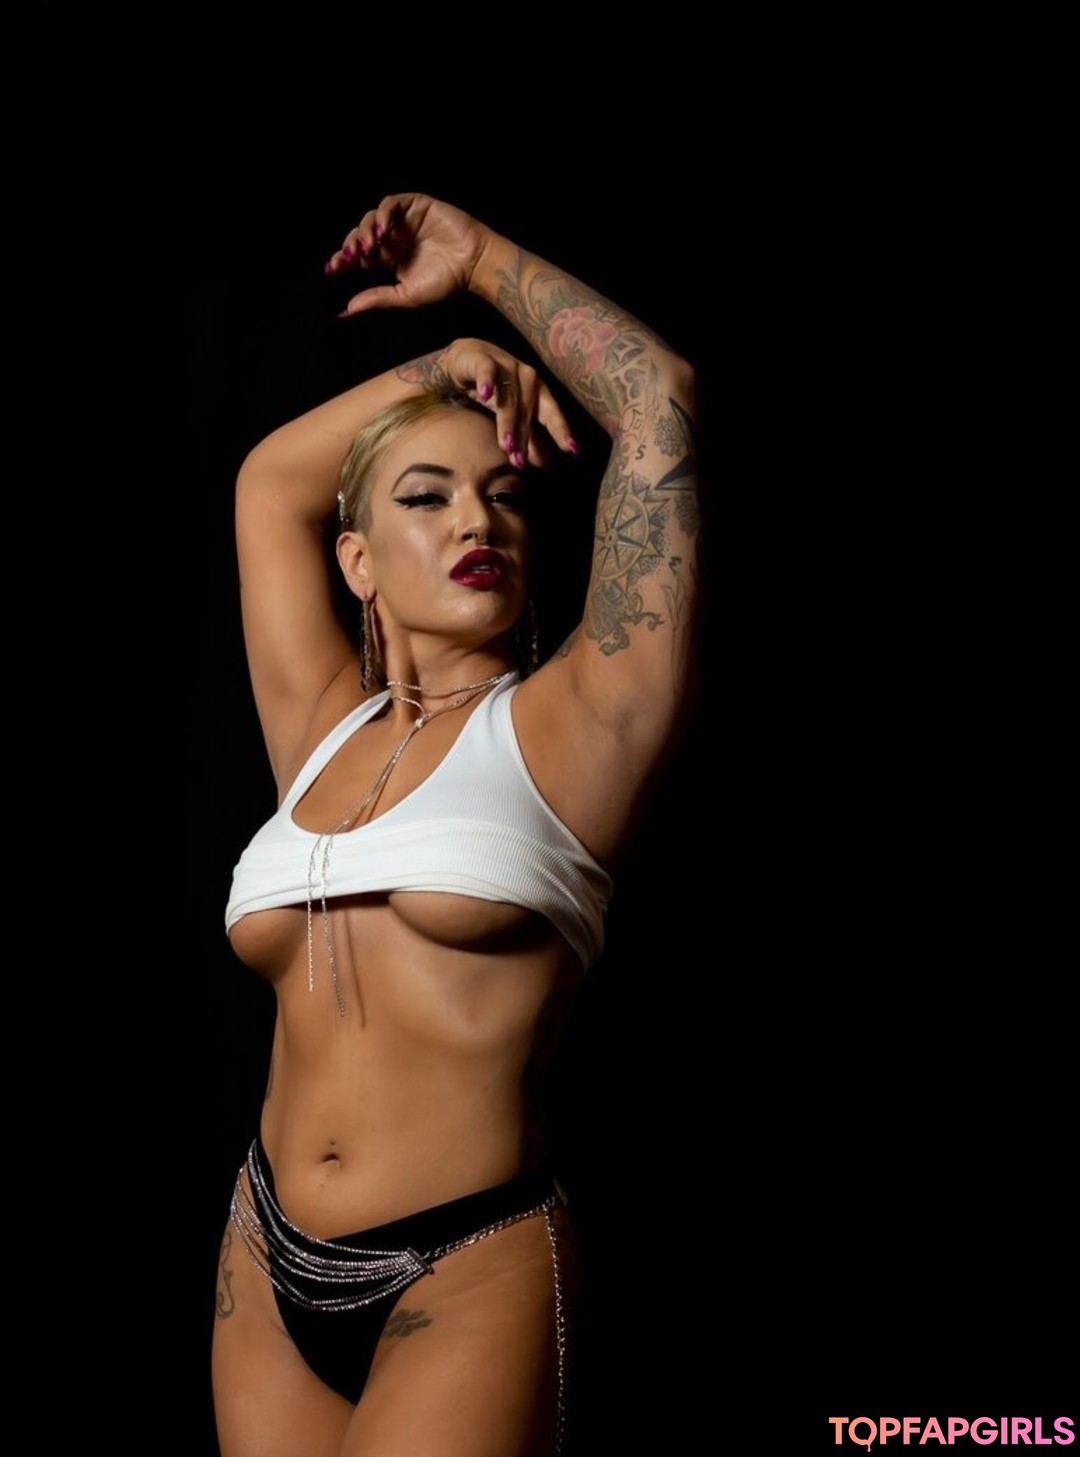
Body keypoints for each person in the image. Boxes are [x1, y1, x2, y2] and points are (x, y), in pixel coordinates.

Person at [211, 192, 699, 1457]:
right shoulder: (320, 726)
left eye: (505, 495)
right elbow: (270, 481)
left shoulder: (578, 722)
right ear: (357, 562)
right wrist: (443, 366)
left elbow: (658, 399)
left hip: (463, 1264)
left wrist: (481, 266)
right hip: (263, 1250)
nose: (478, 521)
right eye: (426, 497)